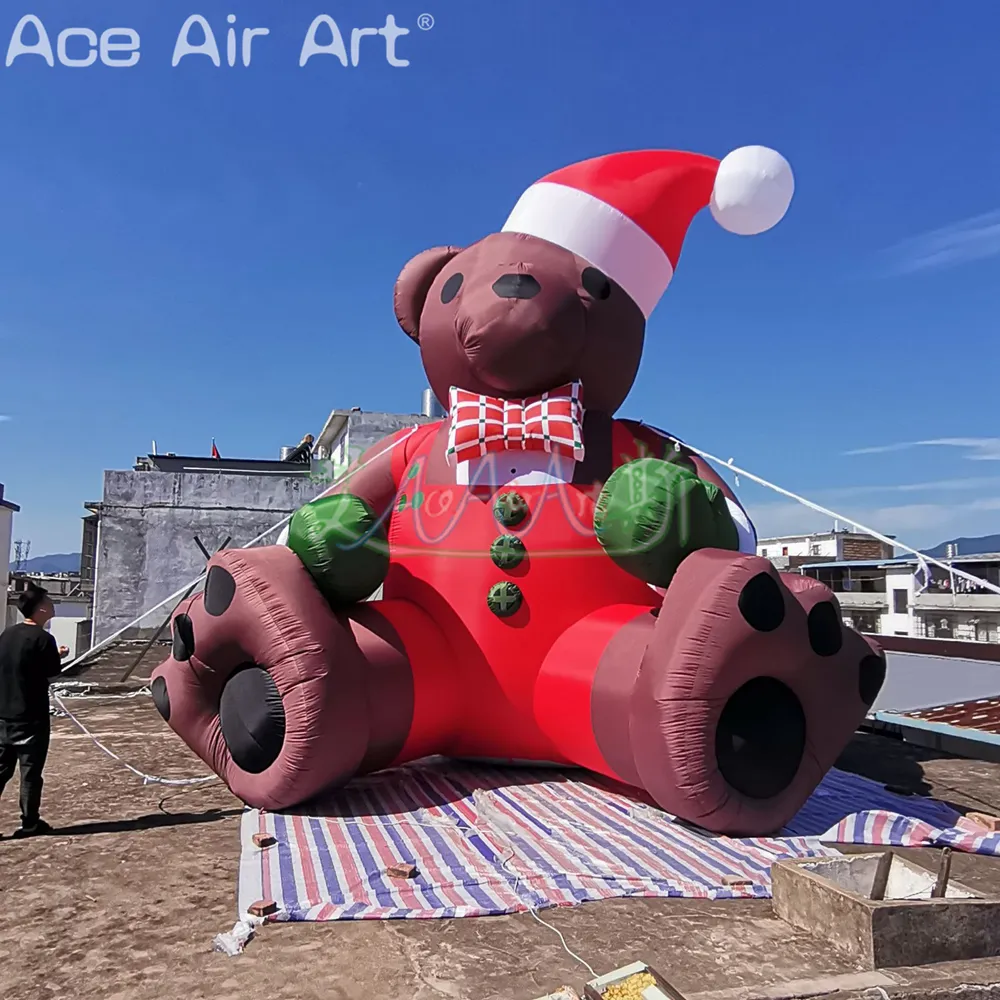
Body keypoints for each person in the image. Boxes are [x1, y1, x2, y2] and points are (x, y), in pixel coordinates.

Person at [0, 583, 69, 838]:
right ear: (41, 608)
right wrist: (59, 654)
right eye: (49, 601)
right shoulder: (44, 639)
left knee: (1, 771)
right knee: (30, 774)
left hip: (4, 713)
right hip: (32, 717)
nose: (52, 605)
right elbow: (51, 672)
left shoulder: (7, 635)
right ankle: (29, 822)